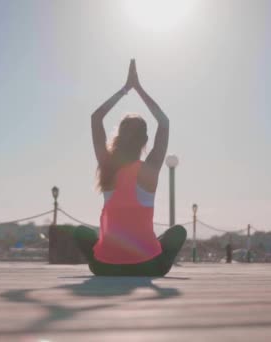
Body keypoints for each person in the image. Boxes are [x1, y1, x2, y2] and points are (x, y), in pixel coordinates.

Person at [73, 59, 187, 277]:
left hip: (104, 267)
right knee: (177, 232)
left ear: (118, 136)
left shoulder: (107, 167)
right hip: (148, 266)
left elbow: (96, 118)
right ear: (145, 140)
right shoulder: (150, 169)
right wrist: (139, 89)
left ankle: (110, 254)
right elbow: (164, 123)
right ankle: (136, 255)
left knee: (80, 232)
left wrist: (125, 89)